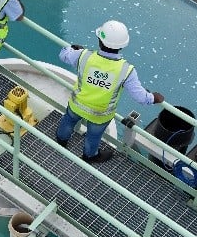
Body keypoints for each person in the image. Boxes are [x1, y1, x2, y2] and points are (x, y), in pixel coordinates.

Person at [55, 19, 164, 164]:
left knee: (68, 122)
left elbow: (63, 55)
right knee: (93, 137)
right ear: (122, 46)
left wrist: (72, 49)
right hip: (100, 115)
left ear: (100, 41)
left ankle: (61, 140)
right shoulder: (126, 70)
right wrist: (154, 97)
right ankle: (89, 156)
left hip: (77, 105)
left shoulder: (83, 56)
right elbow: (141, 97)